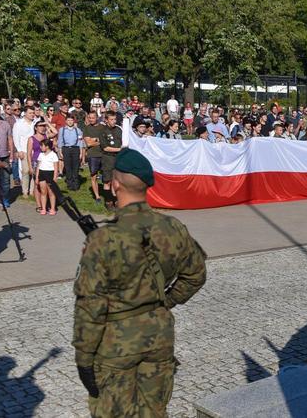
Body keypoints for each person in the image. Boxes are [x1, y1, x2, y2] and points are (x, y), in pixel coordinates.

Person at [72, 148, 206, 417]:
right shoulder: (172, 227)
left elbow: (91, 305)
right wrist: (165, 301)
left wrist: (84, 357)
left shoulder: (102, 240)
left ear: (115, 184)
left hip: (115, 343)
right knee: (154, 412)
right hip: (158, 335)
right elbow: (195, 275)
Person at [99, 110, 123, 208]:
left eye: (115, 119)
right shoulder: (103, 131)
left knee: (116, 180)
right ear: (106, 120)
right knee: (107, 180)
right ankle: (108, 201)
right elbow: (105, 147)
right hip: (108, 158)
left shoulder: (118, 130)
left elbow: (124, 141)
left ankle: (116, 199)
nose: (114, 121)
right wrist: (119, 149)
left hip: (118, 158)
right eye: (111, 119)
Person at [13, 107, 37, 199]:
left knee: (34, 171)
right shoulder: (18, 124)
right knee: (26, 171)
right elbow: (16, 137)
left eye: (33, 113)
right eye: (30, 113)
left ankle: (32, 191)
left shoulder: (35, 123)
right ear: (25, 113)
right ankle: (25, 191)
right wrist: (19, 150)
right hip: (24, 150)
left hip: (35, 151)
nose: (32, 114)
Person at [57, 115, 85, 191]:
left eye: (71, 120)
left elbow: (80, 142)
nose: (70, 122)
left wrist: (81, 153)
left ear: (74, 121)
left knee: (76, 167)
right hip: (66, 149)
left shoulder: (77, 130)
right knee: (68, 167)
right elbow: (60, 141)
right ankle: (69, 184)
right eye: (68, 120)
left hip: (75, 149)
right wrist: (60, 151)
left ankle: (76, 184)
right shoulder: (62, 130)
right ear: (66, 121)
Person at [83, 111, 103, 204]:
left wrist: (94, 139)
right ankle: (97, 196)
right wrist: (99, 140)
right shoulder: (86, 128)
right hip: (93, 155)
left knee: (107, 175)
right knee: (93, 176)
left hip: (104, 154)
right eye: (89, 118)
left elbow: (105, 140)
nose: (91, 119)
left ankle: (109, 194)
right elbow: (88, 143)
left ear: (97, 118)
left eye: (93, 118)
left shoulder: (103, 127)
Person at [35, 139, 58, 215]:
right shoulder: (41, 155)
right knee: (43, 192)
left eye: (42, 146)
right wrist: (37, 177)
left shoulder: (53, 155)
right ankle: (44, 208)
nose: (40, 147)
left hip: (50, 174)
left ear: (47, 146)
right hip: (42, 173)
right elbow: (38, 166)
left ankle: (52, 208)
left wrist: (55, 177)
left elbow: (56, 168)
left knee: (51, 192)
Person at [0, 107, 13, 206]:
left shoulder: (5, 124)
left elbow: (10, 139)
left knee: (6, 179)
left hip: (4, 155)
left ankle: (6, 199)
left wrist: (11, 153)